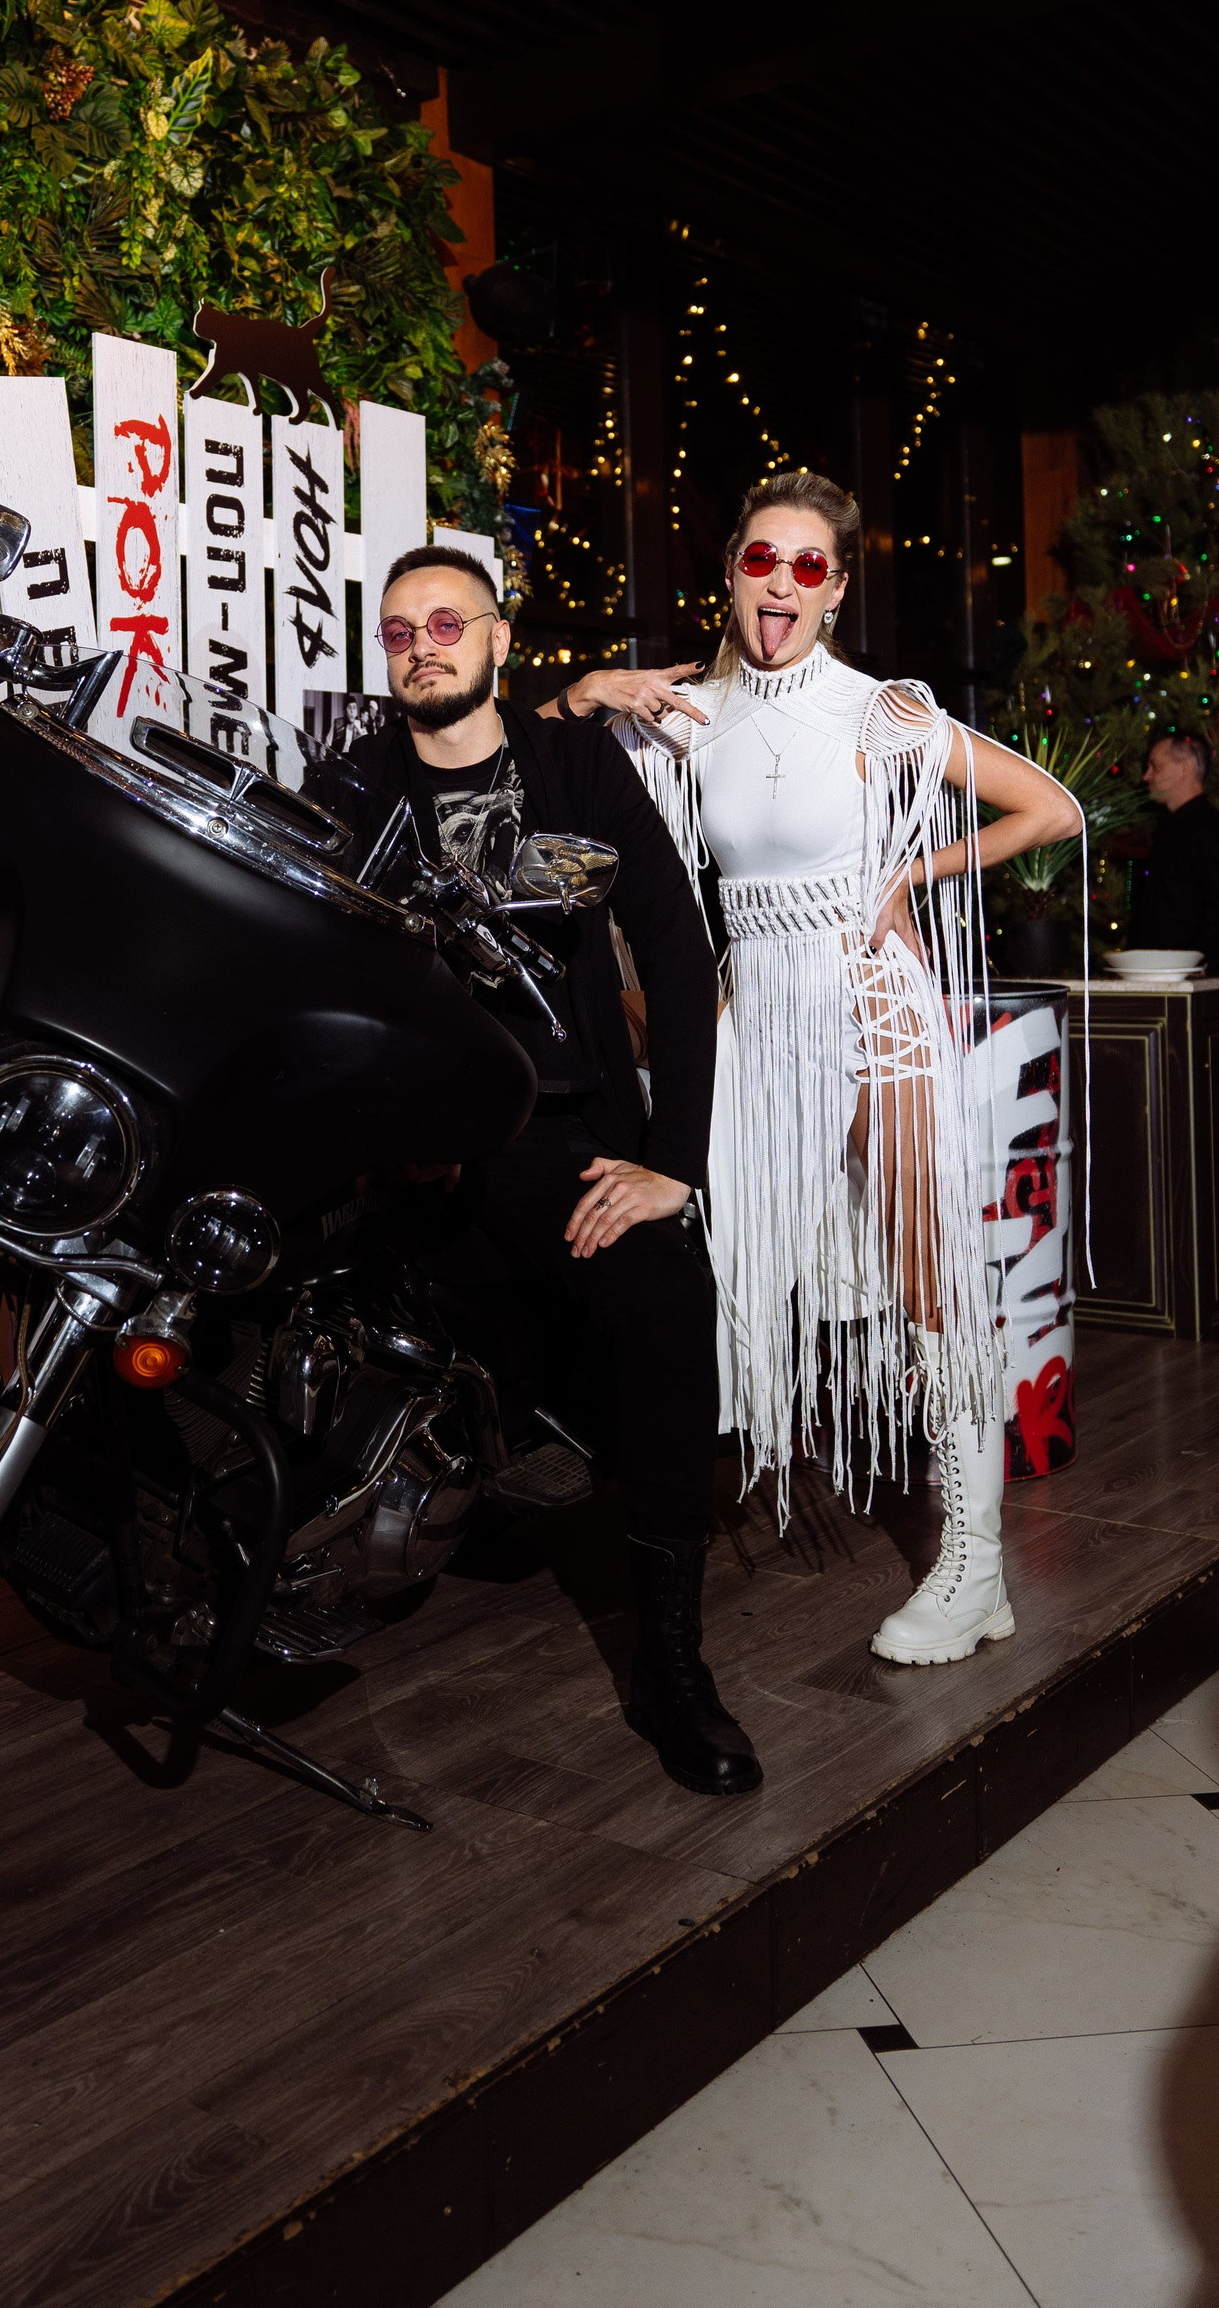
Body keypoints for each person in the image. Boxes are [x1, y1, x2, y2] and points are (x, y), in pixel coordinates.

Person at [544, 473, 1082, 1667]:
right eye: (759, 560)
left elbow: (1050, 811)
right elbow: (520, 766)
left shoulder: (875, 711)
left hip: (870, 1002)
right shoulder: (687, 715)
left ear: (835, 589)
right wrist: (583, 693)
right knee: (721, 1264)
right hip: (759, 1019)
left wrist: (915, 876)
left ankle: (975, 1565)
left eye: (806, 566)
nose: (780, 584)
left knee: (930, 1278)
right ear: (731, 574)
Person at [340, 545, 759, 1796]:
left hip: (559, 1131)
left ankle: (671, 1665)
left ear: (499, 640)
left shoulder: (574, 767)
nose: (423, 646)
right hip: (412, 1135)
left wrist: (672, 1164)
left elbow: (675, 953)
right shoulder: (355, 783)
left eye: (446, 623)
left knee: (666, 1299)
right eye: (400, 631)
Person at [1132, 729, 1219, 973]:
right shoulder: (1170, 828)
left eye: (1155, 766)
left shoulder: (1209, 828)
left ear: (1185, 767)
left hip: (1191, 976)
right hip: (1165, 971)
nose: (1146, 776)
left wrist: (1198, 960)